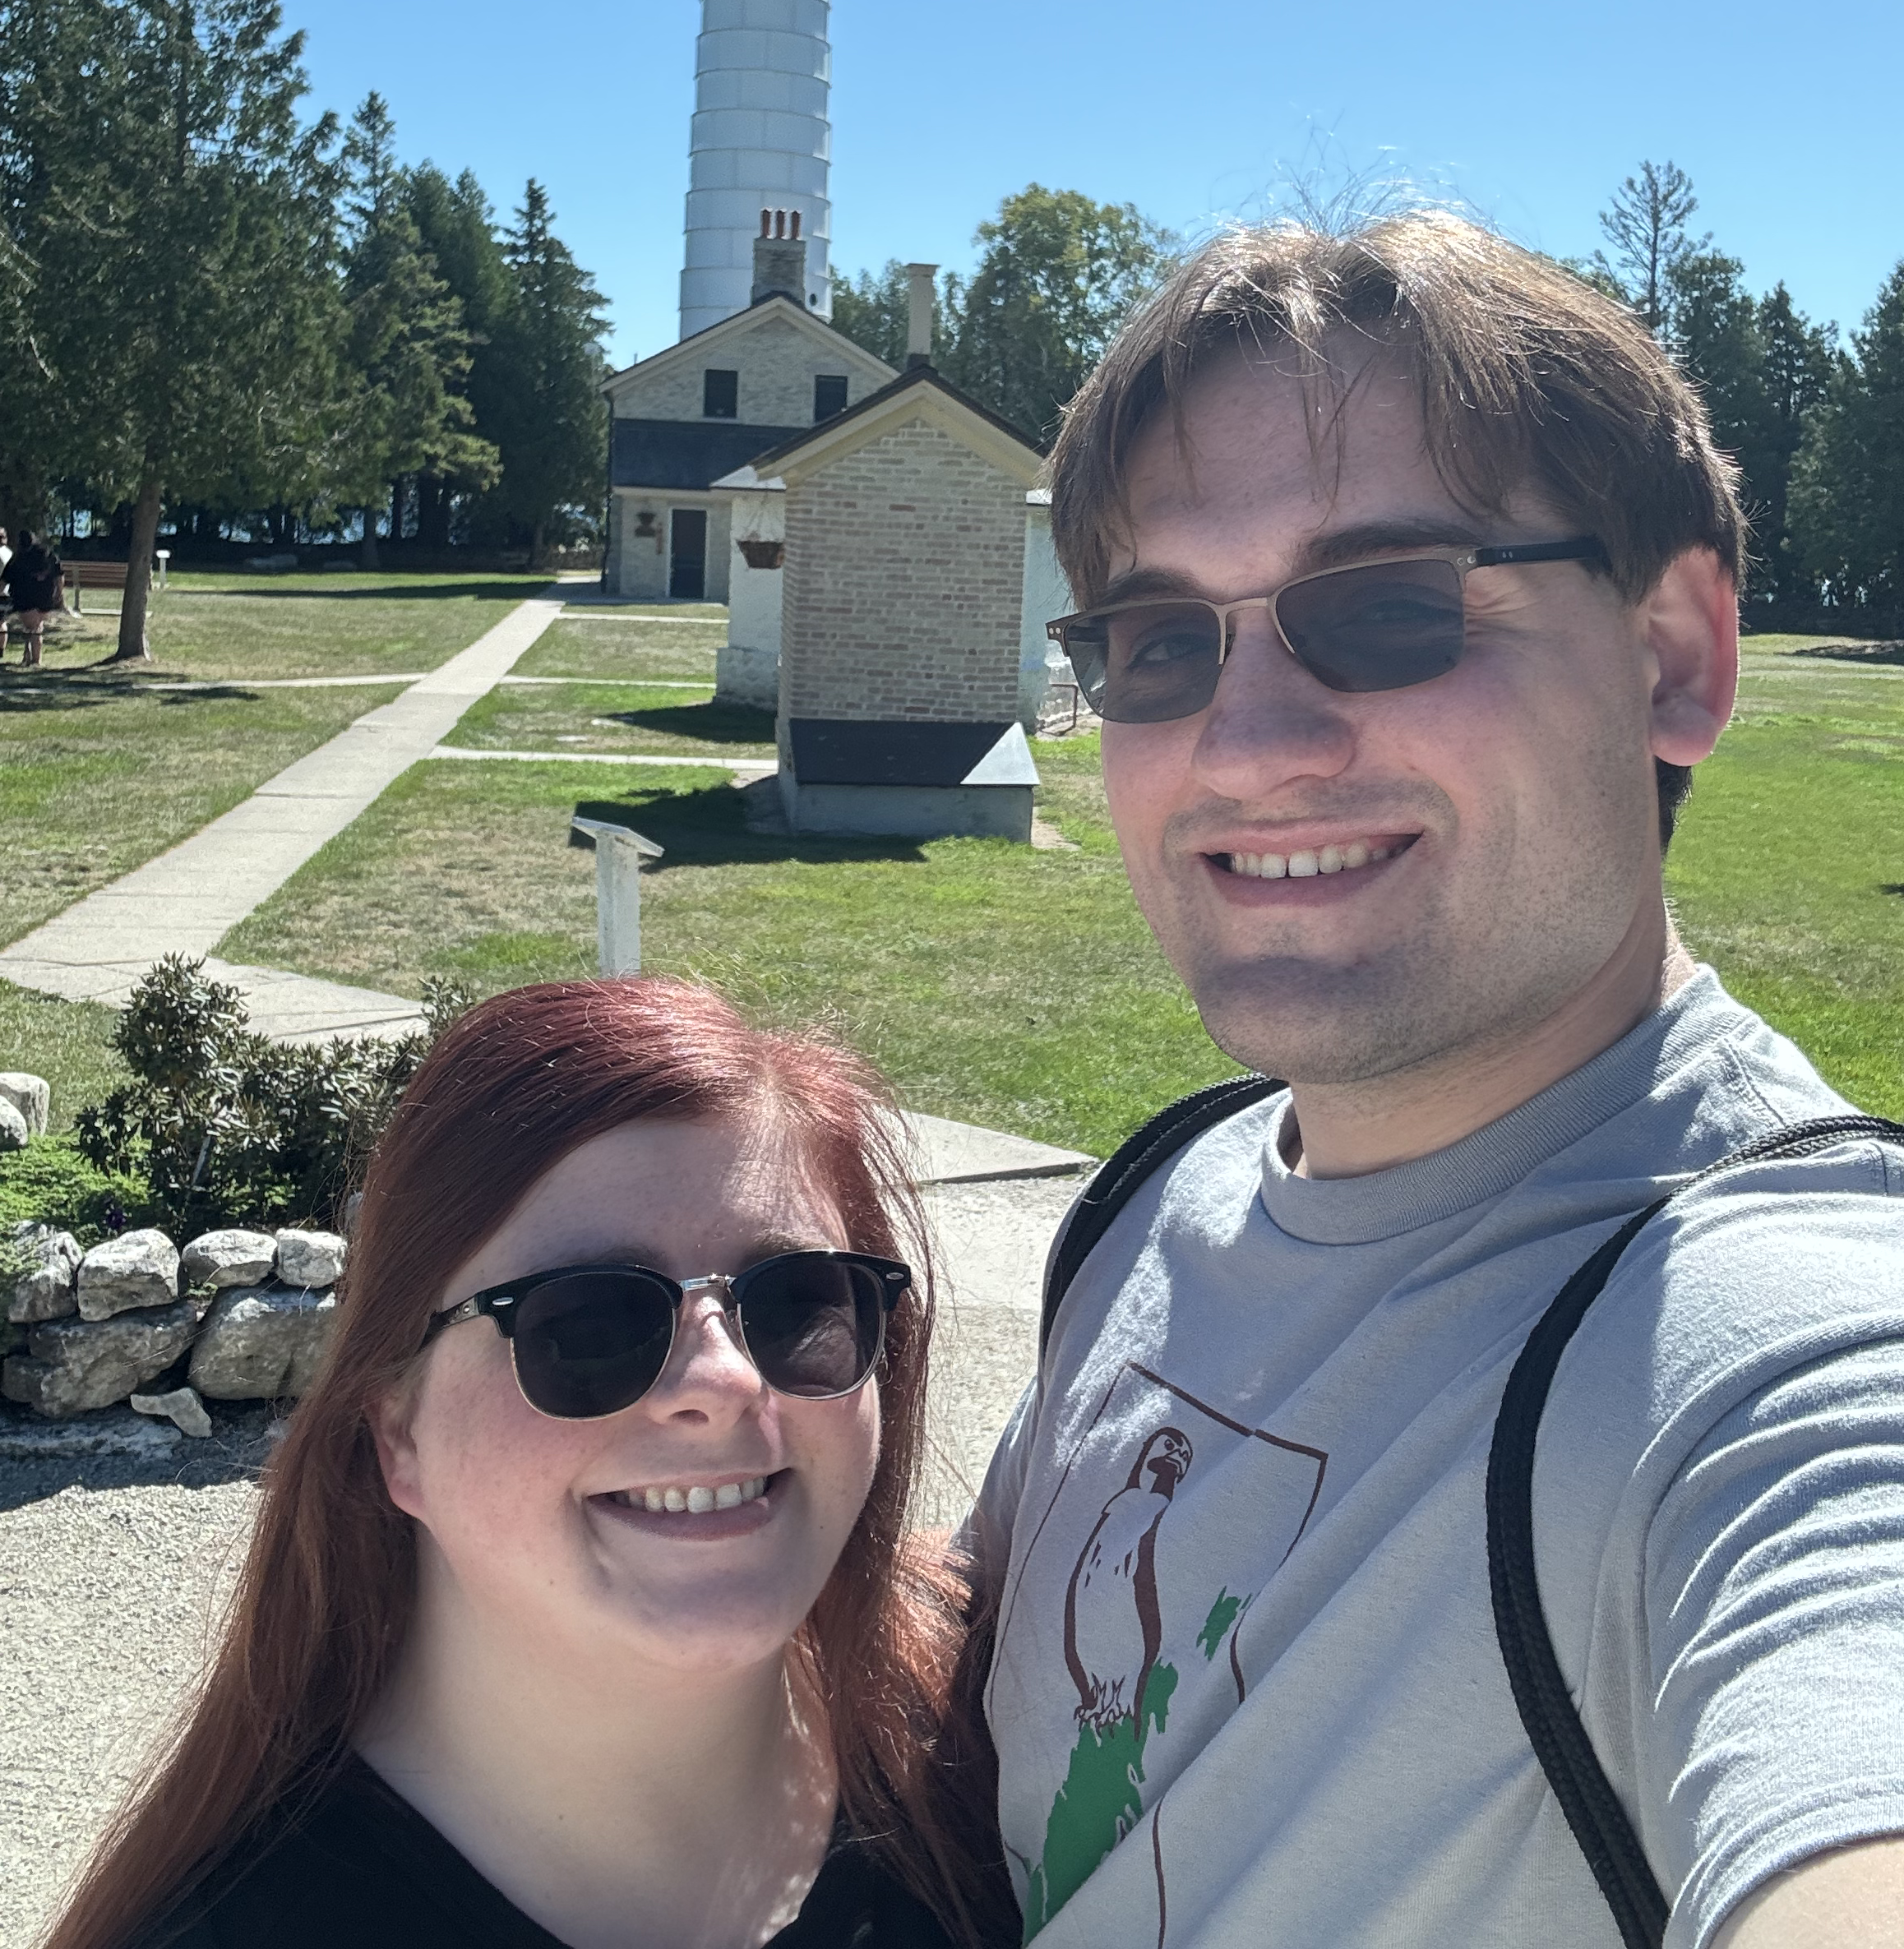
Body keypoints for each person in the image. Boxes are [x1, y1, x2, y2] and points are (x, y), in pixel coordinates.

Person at [969, 212, 1904, 1948]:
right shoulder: (1160, 1199)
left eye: (1389, 607)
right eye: (1162, 644)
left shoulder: (1786, 1353)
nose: (1245, 747)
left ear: (1678, 656)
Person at [49, 978, 1011, 1949]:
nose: (721, 1377)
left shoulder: (1023, 1744)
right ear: (397, 1434)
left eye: (801, 1301)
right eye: (587, 1320)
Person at [5, 525, 63, 666]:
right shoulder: (48, 554)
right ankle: (32, 657)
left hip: (24, 597)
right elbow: (59, 575)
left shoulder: (18, 558)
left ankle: (33, 659)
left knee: (31, 628)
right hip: (45, 596)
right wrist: (60, 594)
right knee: (37, 627)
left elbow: (5, 578)